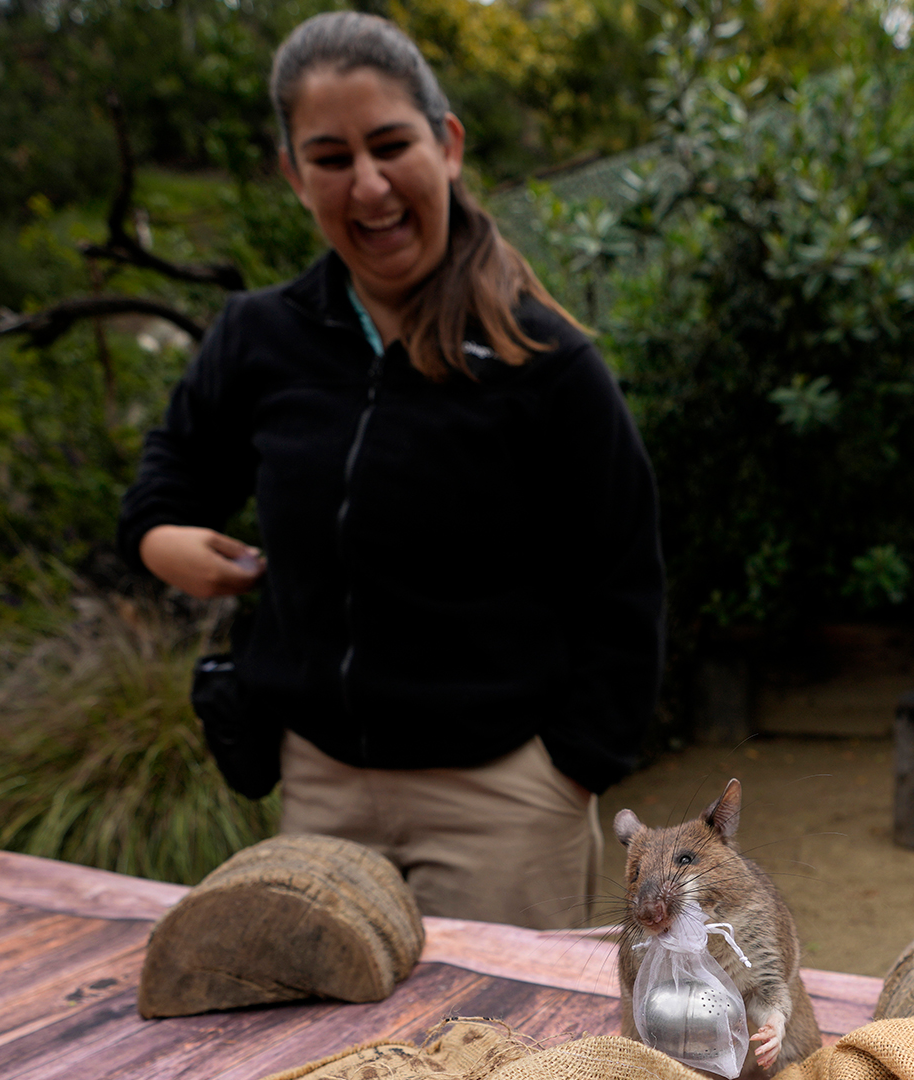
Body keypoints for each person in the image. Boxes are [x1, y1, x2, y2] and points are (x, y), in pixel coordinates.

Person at [117, 10, 664, 931]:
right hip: (321, 792)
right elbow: (170, 467)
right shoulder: (259, 337)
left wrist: (568, 766)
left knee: (504, 1064)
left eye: (389, 145)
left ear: (446, 145)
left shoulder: (545, 360)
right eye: (330, 157)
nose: (367, 185)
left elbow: (626, 579)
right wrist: (159, 534)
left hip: (501, 800)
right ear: (295, 177)